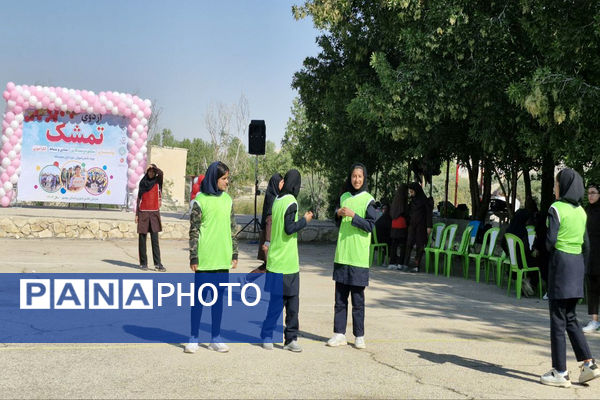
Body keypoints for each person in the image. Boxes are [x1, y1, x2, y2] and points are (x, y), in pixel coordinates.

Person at [540, 168, 600, 387]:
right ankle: (588, 364)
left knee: (557, 319)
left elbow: (550, 240)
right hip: (577, 266)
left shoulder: (556, 208)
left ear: (563, 186)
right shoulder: (582, 211)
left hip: (561, 265)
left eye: (556, 184)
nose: (555, 187)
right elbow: (587, 244)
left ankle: (560, 372)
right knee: (571, 318)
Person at [185, 161, 238, 354]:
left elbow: (233, 229)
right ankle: (193, 338)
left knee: (218, 302)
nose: (227, 182)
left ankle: (215, 337)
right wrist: (193, 256)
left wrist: (234, 253)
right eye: (224, 178)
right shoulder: (200, 200)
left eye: (227, 178)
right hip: (205, 260)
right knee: (199, 301)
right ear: (213, 179)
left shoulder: (228, 200)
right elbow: (194, 230)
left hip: (222, 259)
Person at [261, 170, 312, 351]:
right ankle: (290, 338)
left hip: (276, 261)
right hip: (287, 263)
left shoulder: (277, 200)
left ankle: (267, 335)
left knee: (276, 303)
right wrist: (305, 220)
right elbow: (290, 228)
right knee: (292, 305)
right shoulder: (291, 201)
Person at [327, 163, 376, 349]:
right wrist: (338, 213)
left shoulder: (369, 200)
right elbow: (338, 223)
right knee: (339, 299)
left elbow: (370, 225)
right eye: (354, 176)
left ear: (364, 179)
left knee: (358, 300)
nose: (356, 180)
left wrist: (354, 215)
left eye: (360, 177)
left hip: (358, 258)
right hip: (342, 255)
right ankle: (339, 333)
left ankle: (359, 335)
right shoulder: (344, 196)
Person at [501, 207, 537, 297]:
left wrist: (510, 253)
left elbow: (503, 244)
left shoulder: (508, 230)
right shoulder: (522, 230)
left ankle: (523, 282)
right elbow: (526, 249)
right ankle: (530, 283)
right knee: (538, 263)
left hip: (513, 261)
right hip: (522, 262)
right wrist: (532, 251)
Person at [136, 164, 165, 272]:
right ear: (147, 172)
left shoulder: (158, 182)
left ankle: (158, 264)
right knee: (142, 239)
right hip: (143, 213)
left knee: (155, 240)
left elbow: (161, 173)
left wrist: (154, 166)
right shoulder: (143, 183)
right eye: (149, 171)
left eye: (153, 171)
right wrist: (137, 215)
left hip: (154, 213)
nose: (151, 173)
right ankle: (143, 263)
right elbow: (139, 199)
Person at [255, 173, 284, 272]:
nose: (283, 184)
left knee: (267, 266)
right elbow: (269, 220)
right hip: (269, 236)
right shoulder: (273, 199)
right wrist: (267, 242)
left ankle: (245, 280)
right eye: (281, 182)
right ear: (276, 183)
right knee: (270, 266)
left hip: (269, 236)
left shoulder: (272, 195)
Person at [403, 182, 433, 272]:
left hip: (421, 226)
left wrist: (429, 226)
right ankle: (405, 263)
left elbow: (429, 214)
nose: (411, 194)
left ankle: (417, 265)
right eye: (410, 192)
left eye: (412, 192)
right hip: (412, 226)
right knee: (409, 243)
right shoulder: (412, 201)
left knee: (420, 245)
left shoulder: (424, 201)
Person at [583, 183, 600, 333]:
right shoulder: (587, 210)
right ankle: (594, 320)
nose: (590, 196)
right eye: (589, 193)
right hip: (590, 254)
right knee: (592, 288)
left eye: (593, 193)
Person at [388, 184, 409, 270]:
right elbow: (405, 212)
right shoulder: (404, 199)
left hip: (394, 223)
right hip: (401, 223)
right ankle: (400, 263)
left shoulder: (395, 199)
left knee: (394, 245)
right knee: (402, 245)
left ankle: (392, 262)